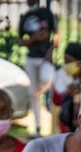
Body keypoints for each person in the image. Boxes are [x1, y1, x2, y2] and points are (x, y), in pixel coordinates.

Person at [19, 0, 57, 138]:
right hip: (31, 59)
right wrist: (34, 38)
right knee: (34, 95)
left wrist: (50, 52)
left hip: (45, 58)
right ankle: (37, 127)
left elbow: (57, 34)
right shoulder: (25, 17)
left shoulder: (47, 14)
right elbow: (20, 41)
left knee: (46, 82)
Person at [52, 42, 81, 133]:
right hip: (67, 119)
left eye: (69, 61)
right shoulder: (60, 74)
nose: (66, 64)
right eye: (65, 61)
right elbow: (56, 99)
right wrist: (68, 92)